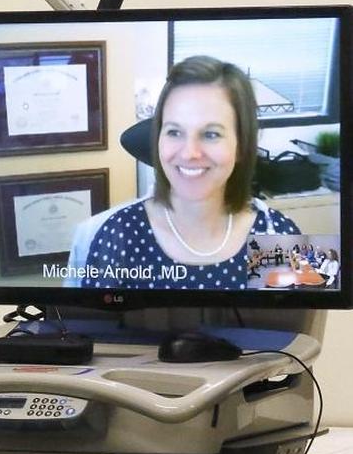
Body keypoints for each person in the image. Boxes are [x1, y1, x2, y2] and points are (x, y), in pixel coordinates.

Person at [79, 56, 300, 290]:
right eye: (174, 132)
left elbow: (305, 324)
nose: (189, 153)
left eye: (211, 134)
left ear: (241, 146)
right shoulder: (119, 233)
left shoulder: (278, 234)